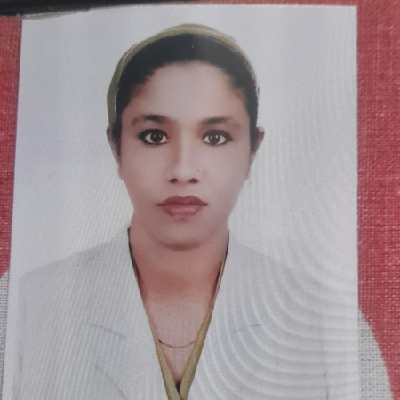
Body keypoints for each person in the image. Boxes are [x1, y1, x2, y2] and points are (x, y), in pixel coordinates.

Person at [13, 24, 387, 400]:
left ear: (252, 151)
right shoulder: (21, 310)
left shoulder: (330, 327)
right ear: (116, 147)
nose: (183, 170)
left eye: (215, 137)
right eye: (154, 136)